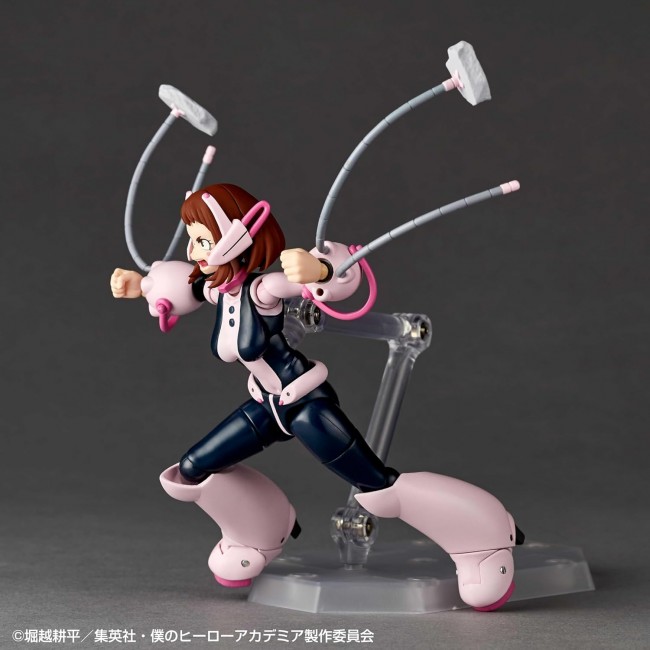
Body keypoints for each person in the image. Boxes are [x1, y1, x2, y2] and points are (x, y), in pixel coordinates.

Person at [111, 182, 520, 610]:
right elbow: (185, 287)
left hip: (305, 402)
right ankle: (258, 533)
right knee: (192, 469)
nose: (194, 250)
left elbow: (328, 279)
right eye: (193, 238)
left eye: (203, 239)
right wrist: (143, 285)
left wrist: (319, 269)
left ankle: (484, 540)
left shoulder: (264, 290)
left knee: (376, 485)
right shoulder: (221, 289)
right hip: (266, 406)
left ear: (237, 235)